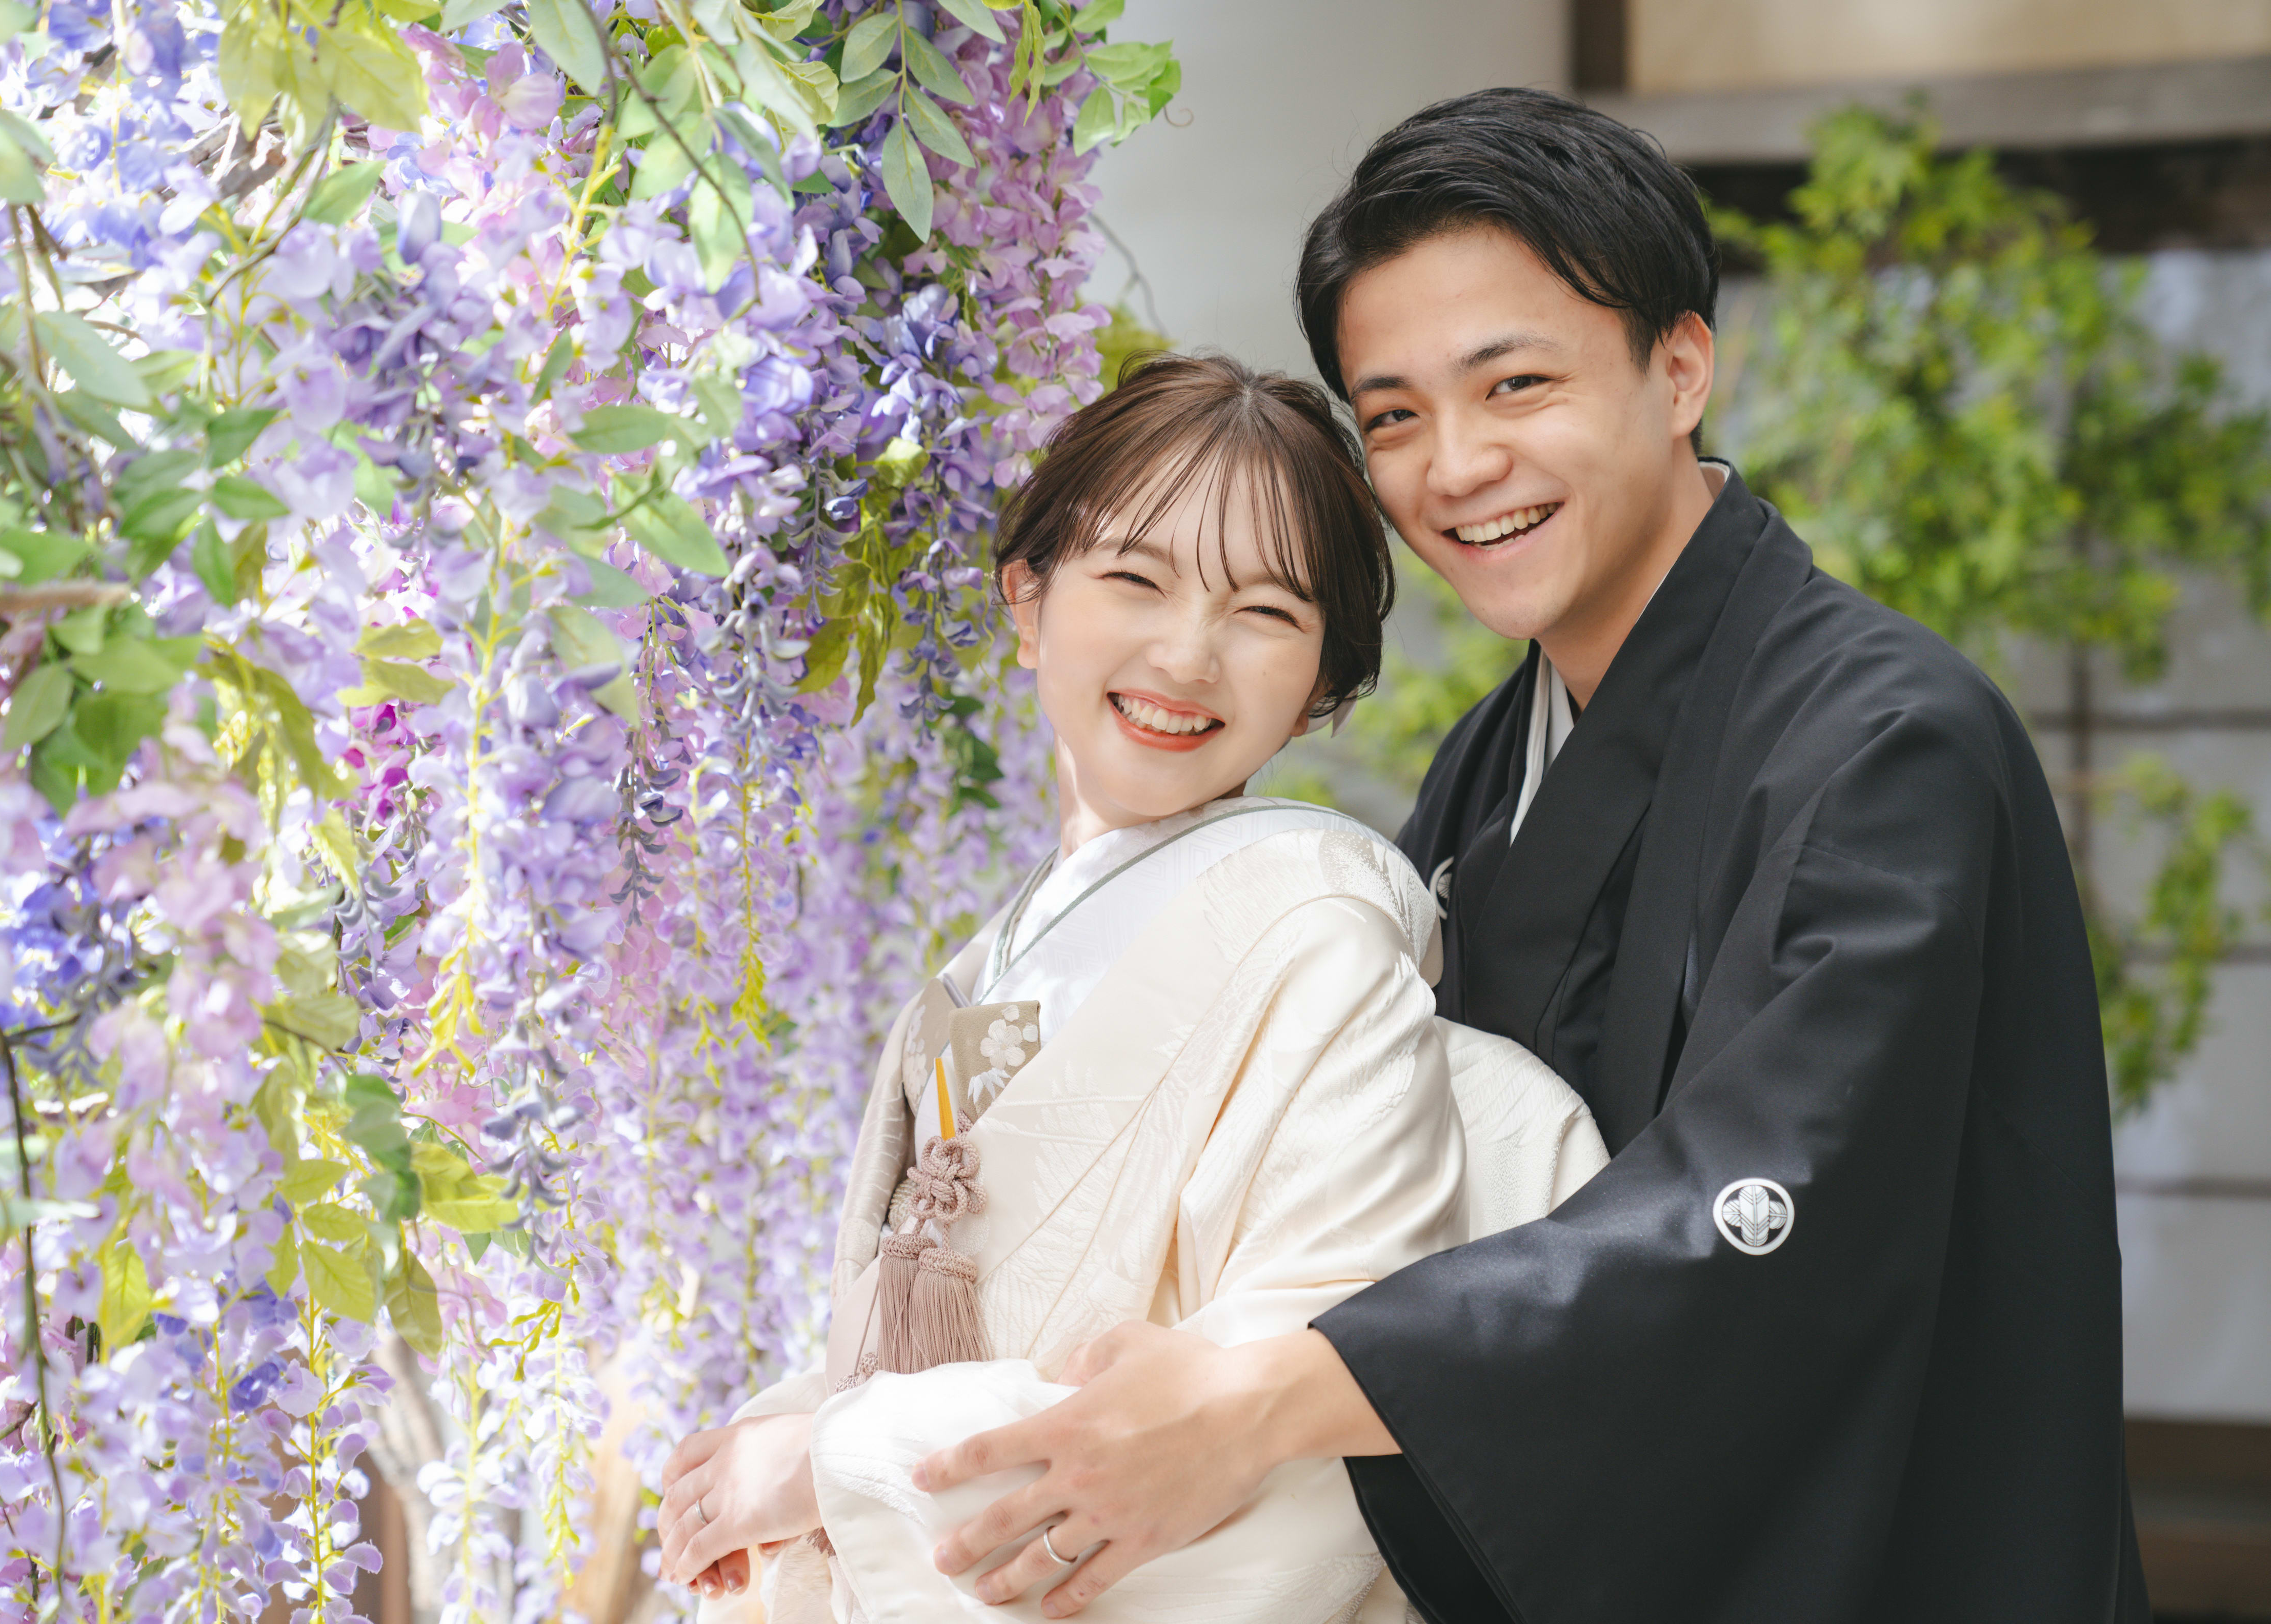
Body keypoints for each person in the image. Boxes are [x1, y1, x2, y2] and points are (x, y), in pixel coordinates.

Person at [910, 89, 2148, 1624]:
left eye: (1516, 385)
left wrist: (1263, 1400)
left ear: (1680, 368)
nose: (1458, 466)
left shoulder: (1890, 743)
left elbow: (1760, 1215)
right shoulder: (1492, 767)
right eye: (1395, 417)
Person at [652, 353, 1605, 1622]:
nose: (1188, 655)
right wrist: (773, 1450)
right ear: (1027, 599)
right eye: (1136, 580)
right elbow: (960, 1315)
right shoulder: (992, 962)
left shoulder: (1315, 935)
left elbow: (1308, 1383)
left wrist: (830, 1467)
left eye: (1266, 613)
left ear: (1321, 688)